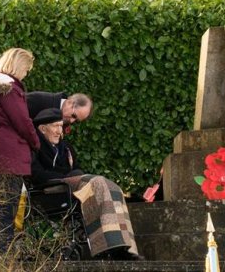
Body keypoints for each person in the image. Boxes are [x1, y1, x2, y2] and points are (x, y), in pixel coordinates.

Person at [30, 108, 142, 261]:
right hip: (49, 191)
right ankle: (108, 246)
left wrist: (74, 175)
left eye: (61, 126)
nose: (59, 131)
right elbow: (37, 175)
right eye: (55, 126)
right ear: (42, 129)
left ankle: (124, 246)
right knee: (98, 183)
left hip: (70, 187)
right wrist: (66, 177)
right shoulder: (34, 146)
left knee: (113, 188)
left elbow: (77, 168)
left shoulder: (66, 148)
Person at [0, 48, 40, 253]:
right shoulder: (10, 89)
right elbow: (23, 121)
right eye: (26, 70)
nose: (26, 74)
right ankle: (1, 255)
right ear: (19, 65)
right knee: (7, 206)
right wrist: (36, 143)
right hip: (10, 155)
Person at [26, 91, 93, 128]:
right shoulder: (39, 99)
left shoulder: (63, 122)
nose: (72, 121)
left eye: (77, 121)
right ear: (70, 102)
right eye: (74, 116)